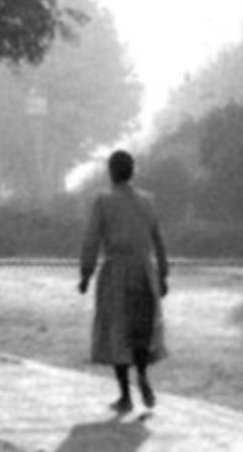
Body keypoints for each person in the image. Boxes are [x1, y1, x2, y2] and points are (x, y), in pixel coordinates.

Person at [79, 150, 169, 415]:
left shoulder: (103, 202)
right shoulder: (147, 202)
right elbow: (158, 240)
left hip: (116, 273)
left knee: (118, 334)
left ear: (111, 172)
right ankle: (142, 374)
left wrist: (86, 273)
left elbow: (91, 240)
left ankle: (125, 395)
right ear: (132, 171)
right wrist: (162, 273)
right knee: (141, 332)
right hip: (144, 272)